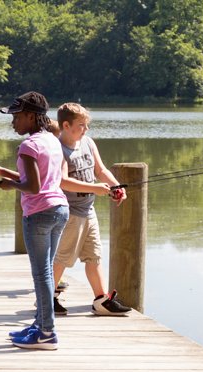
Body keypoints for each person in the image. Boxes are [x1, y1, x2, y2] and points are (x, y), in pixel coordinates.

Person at [0, 91, 69, 350]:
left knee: (41, 274)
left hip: (39, 213)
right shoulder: (52, 140)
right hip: (59, 209)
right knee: (47, 272)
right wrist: (3, 172)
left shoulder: (28, 146)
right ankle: (39, 324)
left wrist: (9, 185)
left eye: (17, 117)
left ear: (31, 116)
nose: (13, 123)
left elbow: (32, 186)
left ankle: (46, 333)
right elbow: (38, 178)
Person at [52, 102, 133, 316]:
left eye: (87, 125)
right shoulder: (58, 149)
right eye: (81, 125)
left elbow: (101, 170)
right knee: (62, 258)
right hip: (70, 213)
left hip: (89, 211)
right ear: (66, 125)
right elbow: (63, 181)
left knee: (94, 256)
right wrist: (95, 188)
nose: (86, 129)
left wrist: (116, 186)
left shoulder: (87, 142)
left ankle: (101, 300)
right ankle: (47, 298)